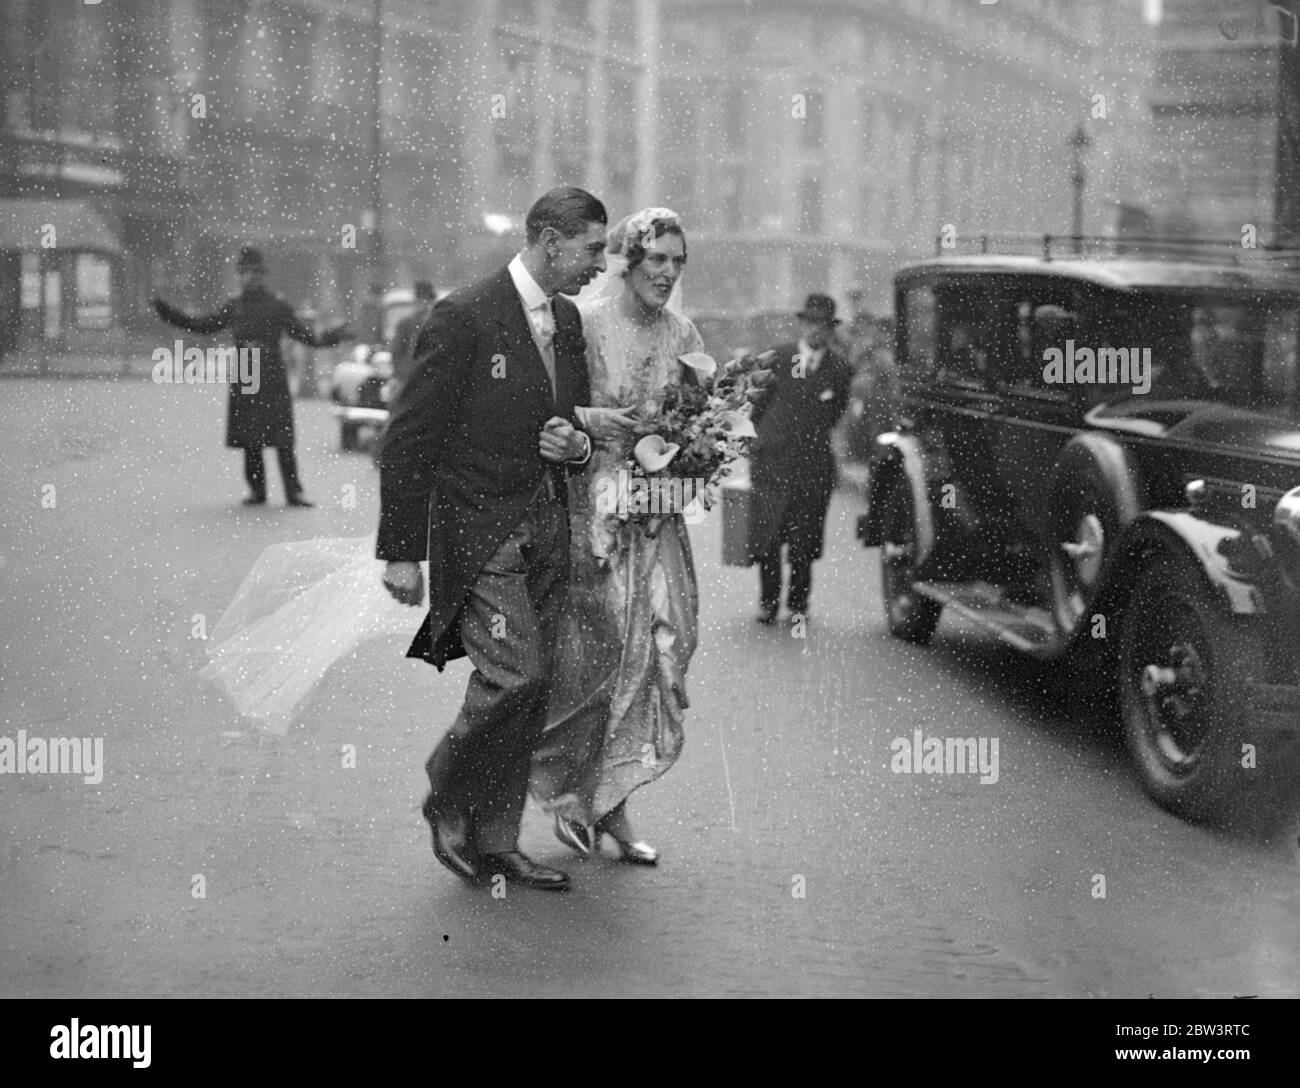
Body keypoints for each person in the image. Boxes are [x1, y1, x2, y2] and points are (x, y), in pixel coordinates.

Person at [378, 187, 607, 893]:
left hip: (547, 528)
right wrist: (400, 549)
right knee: (518, 674)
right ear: (548, 241)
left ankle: (497, 841)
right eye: (592, 249)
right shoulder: (463, 316)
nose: (601, 264)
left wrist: (576, 447)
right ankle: (447, 788)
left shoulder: (567, 320)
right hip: (478, 533)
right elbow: (410, 437)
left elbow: (572, 427)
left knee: (530, 695)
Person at [528, 207, 705, 866]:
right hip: (594, 513)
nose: (666, 271)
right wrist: (609, 425)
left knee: (665, 648)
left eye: (677, 261)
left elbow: (694, 432)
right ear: (628, 259)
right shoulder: (586, 327)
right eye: (656, 257)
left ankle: (607, 796)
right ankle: (594, 804)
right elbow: (549, 410)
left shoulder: (684, 334)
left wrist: (693, 458)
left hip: (659, 520)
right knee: (596, 669)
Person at [153, 246, 350, 507]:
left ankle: (293, 492)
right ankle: (258, 491)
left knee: (282, 437)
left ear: (261, 276)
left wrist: (333, 336)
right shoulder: (235, 307)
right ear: (240, 276)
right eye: (244, 273)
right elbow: (203, 326)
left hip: (269, 367)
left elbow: (307, 336)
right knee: (250, 437)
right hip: (247, 368)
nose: (249, 278)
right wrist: (168, 313)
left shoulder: (277, 306)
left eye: (254, 273)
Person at [748, 293, 854, 624]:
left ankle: (798, 604)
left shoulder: (839, 368)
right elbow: (757, 406)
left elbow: (835, 413)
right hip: (773, 462)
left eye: (823, 325)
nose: (816, 331)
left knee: (805, 539)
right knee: (768, 536)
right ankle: (768, 602)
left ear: (830, 329)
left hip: (813, 466)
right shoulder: (779, 358)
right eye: (811, 323)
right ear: (802, 324)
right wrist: (765, 441)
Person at [388, 280, 438, 391]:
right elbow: (396, 352)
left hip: (432, 378)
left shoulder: (439, 323)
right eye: (420, 299)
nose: (423, 303)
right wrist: (404, 375)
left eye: (426, 300)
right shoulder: (406, 324)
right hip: (410, 378)